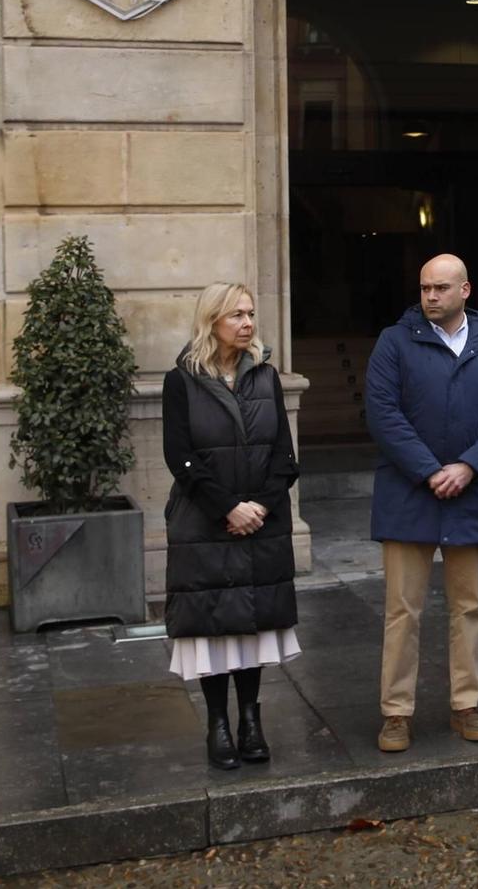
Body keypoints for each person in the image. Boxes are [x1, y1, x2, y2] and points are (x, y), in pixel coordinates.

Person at [365, 254, 478, 754]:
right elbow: (383, 413)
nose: (429, 296)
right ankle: (396, 713)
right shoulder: (394, 341)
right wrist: (430, 469)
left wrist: (469, 466)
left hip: (470, 494)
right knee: (401, 610)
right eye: (424, 288)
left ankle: (465, 704)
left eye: (439, 288)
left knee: (468, 607)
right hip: (408, 493)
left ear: (465, 291)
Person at [161, 282, 301, 770]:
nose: (247, 323)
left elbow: (284, 455)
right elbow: (179, 456)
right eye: (236, 315)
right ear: (212, 321)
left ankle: (250, 720)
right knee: (213, 626)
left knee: (252, 625)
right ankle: (217, 724)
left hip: (261, 520)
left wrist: (259, 506)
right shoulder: (181, 380)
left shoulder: (265, 376)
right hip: (205, 524)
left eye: (250, 314)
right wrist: (228, 508)